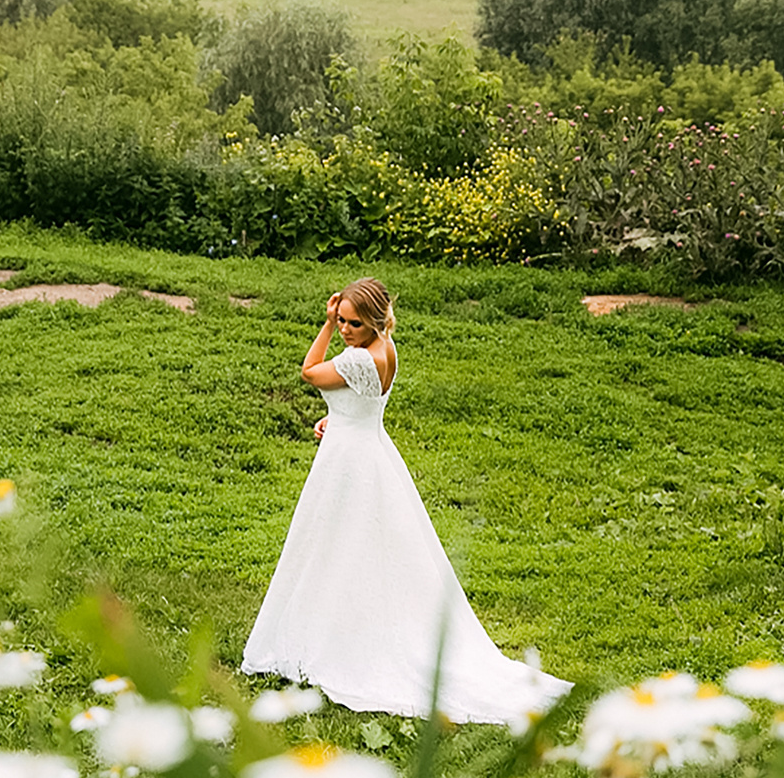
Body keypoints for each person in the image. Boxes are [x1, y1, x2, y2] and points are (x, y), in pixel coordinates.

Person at [240, 278, 574, 726]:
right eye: (340, 321)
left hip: (350, 465)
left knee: (342, 545)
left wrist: (320, 327)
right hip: (366, 447)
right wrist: (334, 419)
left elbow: (310, 371)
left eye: (352, 323)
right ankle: (339, 627)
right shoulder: (387, 348)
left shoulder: (358, 358)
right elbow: (360, 404)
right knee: (351, 548)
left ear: (374, 322)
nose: (344, 329)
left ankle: (339, 641)